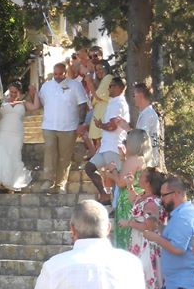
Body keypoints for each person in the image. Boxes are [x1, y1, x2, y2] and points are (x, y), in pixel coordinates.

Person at [120, 167, 167, 289]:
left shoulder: (152, 203)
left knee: (148, 275)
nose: (139, 177)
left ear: (148, 181)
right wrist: (129, 186)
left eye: (142, 176)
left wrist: (129, 223)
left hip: (147, 244)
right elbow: (135, 201)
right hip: (139, 243)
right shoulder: (144, 197)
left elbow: (149, 226)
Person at [0, 81, 40, 192]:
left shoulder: (24, 103)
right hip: (3, 132)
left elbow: (35, 107)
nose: (12, 94)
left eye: (15, 92)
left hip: (16, 134)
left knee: (14, 156)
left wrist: (34, 93)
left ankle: (11, 182)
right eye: (11, 91)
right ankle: (0, 181)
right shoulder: (0, 102)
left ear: (19, 92)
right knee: (2, 156)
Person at [38, 63, 88, 194]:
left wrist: (81, 122)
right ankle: (48, 180)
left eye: (61, 74)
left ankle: (61, 184)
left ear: (66, 73)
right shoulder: (46, 86)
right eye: (55, 74)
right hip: (49, 126)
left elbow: (83, 105)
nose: (58, 77)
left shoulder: (75, 85)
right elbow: (42, 101)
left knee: (64, 157)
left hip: (69, 127)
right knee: (49, 151)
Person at [85, 76, 130, 205]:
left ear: (120, 88)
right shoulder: (113, 102)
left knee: (117, 179)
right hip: (106, 146)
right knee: (89, 168)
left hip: (114, 147)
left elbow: (113, 126)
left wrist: (100, 125)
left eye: (111, 86)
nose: (109, 88)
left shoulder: (119, 103)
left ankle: (118, 207)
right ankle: (104, 195)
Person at [106, 128, 150, 249]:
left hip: (127, 200)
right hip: (138, 197)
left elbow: (121, 182)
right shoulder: (142, 159)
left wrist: (113, 169)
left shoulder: (132, 159)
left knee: (125, 236)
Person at [133, 83, 162, 168]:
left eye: (134, 95)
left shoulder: (148, 115)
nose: (133, 98)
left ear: (140, 95)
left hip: (146, 162)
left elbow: (141, 137)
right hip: (147, 160)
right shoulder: (146, 113)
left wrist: (126, 129)